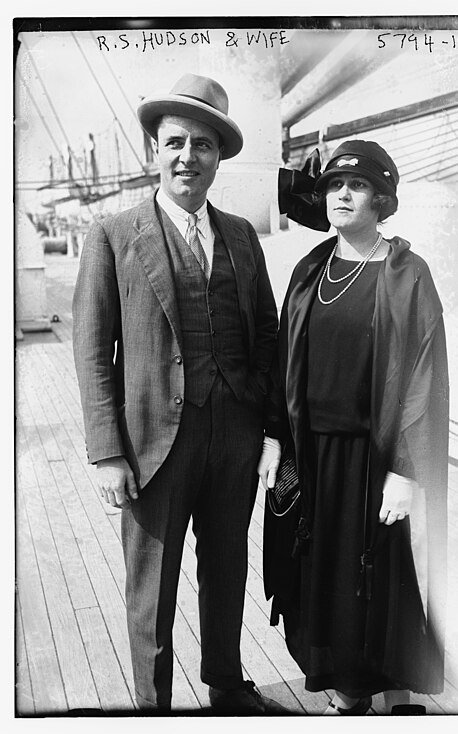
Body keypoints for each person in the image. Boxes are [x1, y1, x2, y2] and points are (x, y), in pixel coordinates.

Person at [72, 73, 283, 714]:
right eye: (175, 142)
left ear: (219, 158)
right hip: (152, 443)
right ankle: (152, 708)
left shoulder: (243, 237)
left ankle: (225, 684)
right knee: (152, 587)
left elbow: (268, 340)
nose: (188, 156)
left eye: (203, 145)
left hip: (235, 436)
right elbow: (91, 352)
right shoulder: (112, 236)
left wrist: (270, 432)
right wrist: (108, 451)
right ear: (154, 152)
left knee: (226, 571)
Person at [259, 140, 449, 715]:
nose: (342, 194)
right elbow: (282, 361)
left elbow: (425, 377)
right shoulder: (310, 268)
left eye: (358, 186)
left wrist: (405, 471)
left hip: (374, 459)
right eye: (335, 186)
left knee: (375, 583)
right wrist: (274, 439)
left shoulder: (406, 273)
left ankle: (382, 695)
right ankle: (347, 695)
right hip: (312, 454)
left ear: (382, 199)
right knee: (320, 576)